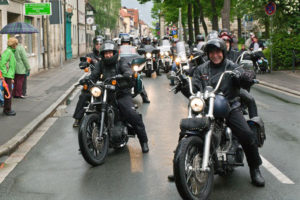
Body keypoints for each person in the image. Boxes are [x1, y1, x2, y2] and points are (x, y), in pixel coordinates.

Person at [179, 38, 265, 187]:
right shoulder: (202, 69)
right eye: (211, 52)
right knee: (186, 130)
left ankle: (255, 168)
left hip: (230, 106)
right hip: (207, 107)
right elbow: (195, 87)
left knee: (246, 134)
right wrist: (185, 85)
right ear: (208, 54)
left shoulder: (232, 67)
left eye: (218, 51)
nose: (215, 55)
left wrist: (246, 76)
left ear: (223, 52)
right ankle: (180, 165)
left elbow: (243, 77)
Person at [89, 40, 149, 153]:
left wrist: (126, 74)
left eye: (110, 52)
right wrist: (87, 80)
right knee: (93, 107)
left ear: (114, 52)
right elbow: (94, 75)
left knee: (132, 114)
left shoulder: (121, 61)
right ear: (102, 54)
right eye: (105, 53)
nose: (108, 55)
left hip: (121, 93)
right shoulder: (100, 64)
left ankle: (144, 141)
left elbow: (127, 70)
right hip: (106, 94)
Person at [219, 31, 258, 119]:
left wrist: (249, 73)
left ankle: (255, 126)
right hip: (216, 88)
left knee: (250, 99)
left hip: (234, 87)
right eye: (223, 42)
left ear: (230, 43)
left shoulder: (237, 54)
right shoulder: (214, 55)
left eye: (227, 42)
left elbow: (246, 63)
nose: (225, 44)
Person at [73, 37, 103, 127]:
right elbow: (85, 61)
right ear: (94, 45)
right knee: (84, 96)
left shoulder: (106, 54)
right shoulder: (91, 56)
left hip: (105, 81)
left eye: (101, 44)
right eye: (97, 44)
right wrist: (84, 63)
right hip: (94, 81)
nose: (99, 46)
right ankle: (78, 118)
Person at [0, 37, 18, 116]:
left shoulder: (11, 52)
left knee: (8, 93)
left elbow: (12, 66)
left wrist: (12, 78)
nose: (17, 45)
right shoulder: (8, 52)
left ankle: (7, 109)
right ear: (13, 45)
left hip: (9, 76)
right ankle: (7, 110)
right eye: (16, 44)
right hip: (7, 76)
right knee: (8, 93)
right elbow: (2, 64)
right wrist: (4, 75)